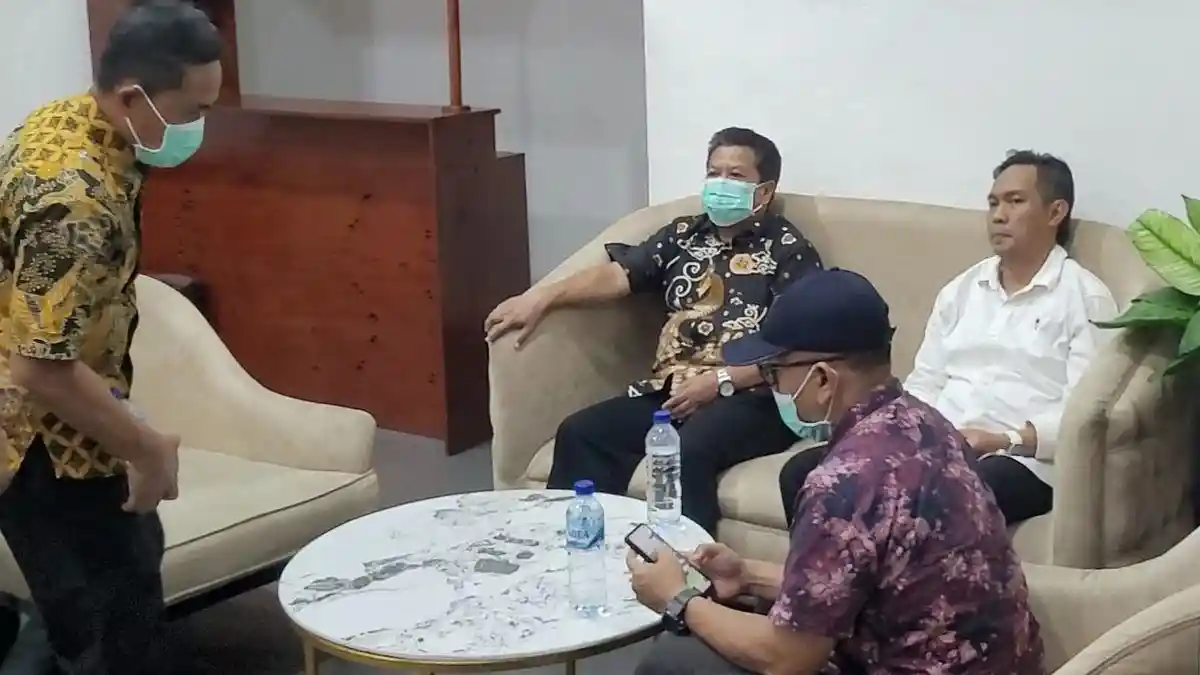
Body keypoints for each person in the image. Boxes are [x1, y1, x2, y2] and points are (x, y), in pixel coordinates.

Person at [627, 269, 1044, 675]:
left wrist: (678, 597)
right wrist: (748, 577)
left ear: (823, 379)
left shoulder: (843, 484)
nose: (774, 388)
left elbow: (787, 659)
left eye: (774, 373)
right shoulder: (932, 425)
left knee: (675, 659)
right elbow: (857, 586)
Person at [0, 1, 222, 672]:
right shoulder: (73, 197)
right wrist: (147, 448)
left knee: (91, 602)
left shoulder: (75, 121)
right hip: (40, 437)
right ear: (132, 96)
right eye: (191, 112)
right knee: (106, 625)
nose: (198, 128)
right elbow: (41, 366)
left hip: (70, 406)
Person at [485, 127, 822, 534]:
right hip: (672, 390)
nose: (720, 184)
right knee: (582, 433)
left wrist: (720, 381)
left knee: (687, 451)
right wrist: (543, 297)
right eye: (713, 173)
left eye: (735, 176)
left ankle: (687, 565)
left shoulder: (788, 250)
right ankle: (575, 547)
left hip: (753, 396)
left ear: (764, 192)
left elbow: (800, 345)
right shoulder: (683, 235)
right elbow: (618, 275)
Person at [778, 150, 1116, 528]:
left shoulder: (1084, 297)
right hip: (939, 444)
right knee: (805, 472)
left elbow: (1084, 413)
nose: (998, 215)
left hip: (1019, 459)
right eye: (993, 203)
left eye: (1015, 201)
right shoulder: (962, 290)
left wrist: (1002, 439)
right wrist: (896, 434)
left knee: (935, 492)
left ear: (1055, 213)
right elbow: (926, 380)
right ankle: (820, 568)